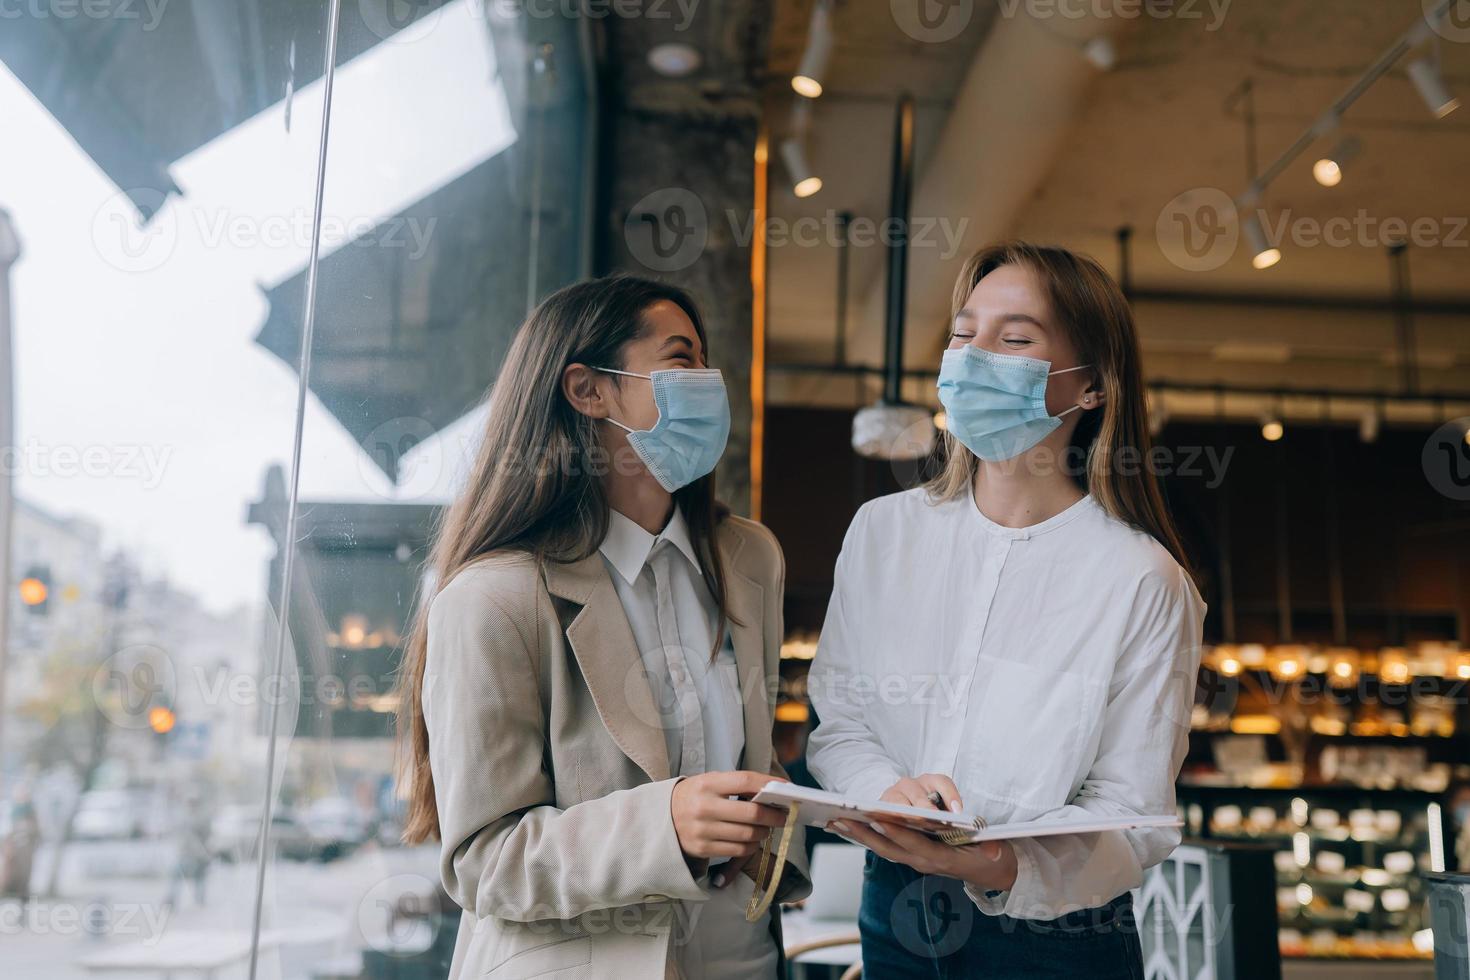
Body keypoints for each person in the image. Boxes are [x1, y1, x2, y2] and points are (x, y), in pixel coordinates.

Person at [806, 242, 1204, 978]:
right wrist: (886, 796)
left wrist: (1000, 862)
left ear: (1091, 387)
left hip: (1057, 938)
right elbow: (842, 726)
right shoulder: (883, 533)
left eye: (1014, 339)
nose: (974, 354)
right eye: (963, 334)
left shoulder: (1142, 579)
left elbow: (1135, 811)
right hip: (897, 909)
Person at [395, 275, 809, 980]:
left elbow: (758, 765)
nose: (709, 383)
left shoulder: (749, 559)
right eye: (681, 360)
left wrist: (769, 845)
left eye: (707, 361)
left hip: (744, 962)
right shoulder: (493, 598)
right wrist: (666, 826)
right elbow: (483, 860)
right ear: (588, 390)